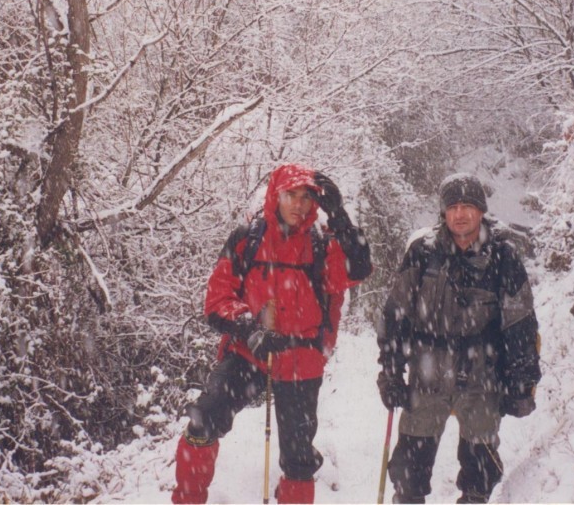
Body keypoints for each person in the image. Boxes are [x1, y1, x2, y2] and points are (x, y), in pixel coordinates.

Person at [172, 163, 371, 504]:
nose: (298, 204)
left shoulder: (322, 243)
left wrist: (340, 217)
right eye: (290, 195)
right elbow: (217, 298)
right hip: (250, 352)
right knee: (204, 418)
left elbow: (357, 270)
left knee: (298, 459)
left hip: (301, 359)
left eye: (306, 197)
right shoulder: (247, 238)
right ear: (274, 195)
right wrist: (249, 327)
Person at [376, 173, 541, 504]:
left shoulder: (503, 257)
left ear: (481, 211)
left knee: (480, 475)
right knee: (409, 473)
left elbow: (520, 322)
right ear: (443, 213)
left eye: (468, 206)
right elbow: (395, 316)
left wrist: (521, 381)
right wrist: (391, 372)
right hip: (426, 377)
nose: (460, 214)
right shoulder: (422, 252)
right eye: (453, 207)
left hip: (483, 377)